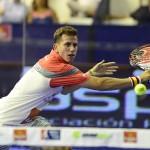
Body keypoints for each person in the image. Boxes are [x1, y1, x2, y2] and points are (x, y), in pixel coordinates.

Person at [0, 25, 150, 149]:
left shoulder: (53, 62)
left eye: (75, 45)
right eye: (67, 44)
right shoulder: (57, 67)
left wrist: (89, 73)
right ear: (56, 47)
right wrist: (138, 79)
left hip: (28, 121)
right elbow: (100, 84)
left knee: (61, 146)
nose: (72, 49)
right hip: (4, 122)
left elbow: (66, 90)